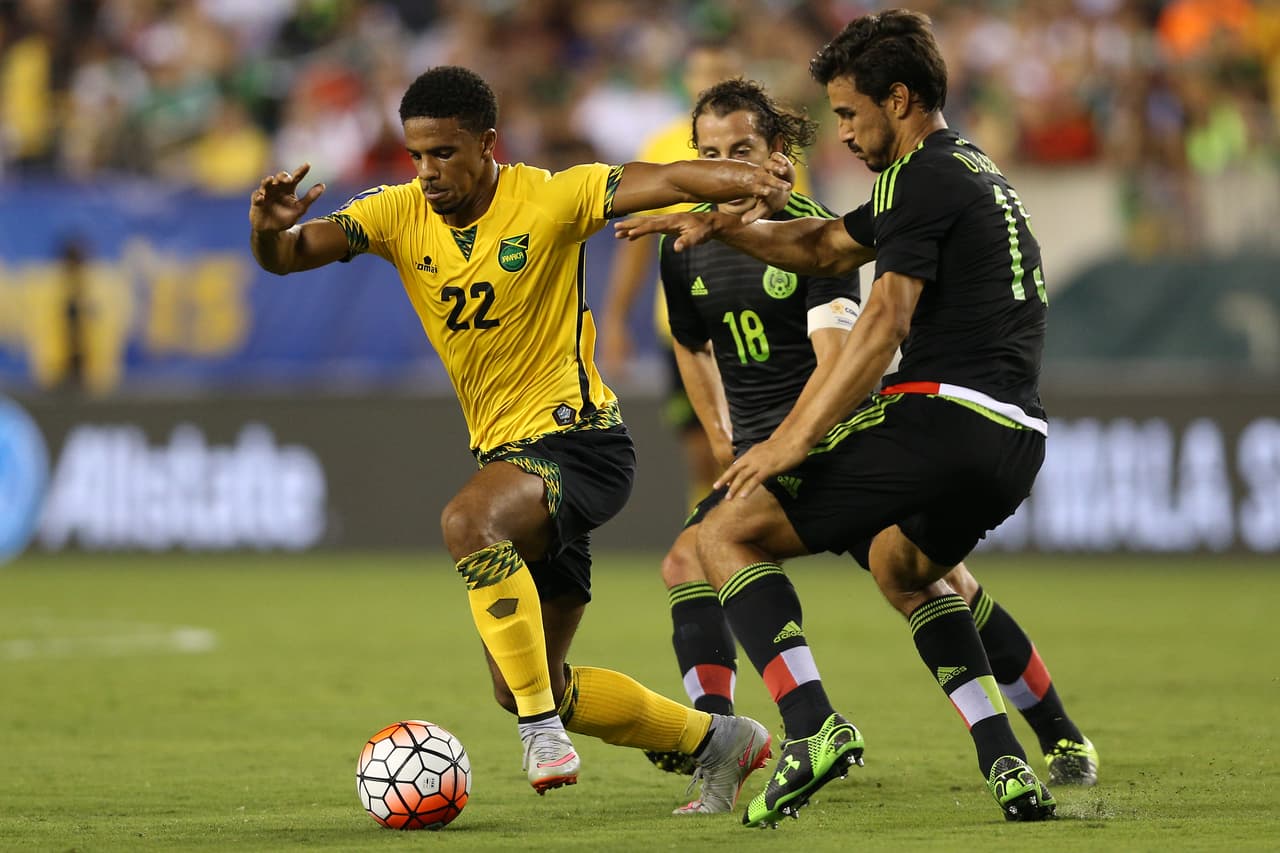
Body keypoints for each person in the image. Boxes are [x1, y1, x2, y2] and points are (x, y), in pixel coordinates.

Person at [247, 65, 792, 814]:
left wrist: (747, 172)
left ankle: (541, 731)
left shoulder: (549, 196)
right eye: (416, 155)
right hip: (514, 466)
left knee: (466, 523)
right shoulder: (396, 213)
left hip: (582, 442)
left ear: (488, 144)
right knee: (523, 679)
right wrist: (266, 230)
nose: (428, 172)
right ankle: (717, 740)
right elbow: (289, 256)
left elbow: (663, 176)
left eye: (444, 153)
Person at [616, 10, 1095, 826]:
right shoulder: (961, 168)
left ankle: (810, 729)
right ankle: (1011, 758)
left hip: (937, 418)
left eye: (848, 113)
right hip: (1017, 439)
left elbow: (881, 324)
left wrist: (789, 443)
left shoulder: (920, 177)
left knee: (721, 536)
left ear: (898, 99)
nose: (842, 132)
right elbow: (826, 246)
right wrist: (736, 224)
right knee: (907, 568)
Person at [597, 40, 746, 513]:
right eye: (703, 71)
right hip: (682, 326)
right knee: (702, 452)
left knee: (744, 449)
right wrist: (615, 319)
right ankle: (709, 547)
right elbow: (636, 240)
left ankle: (740, 548)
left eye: (721, 70)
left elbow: (798, 229)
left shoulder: (765, 148)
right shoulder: (661, 147)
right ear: (687, 80)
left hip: (746, 318)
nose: (711, 81)